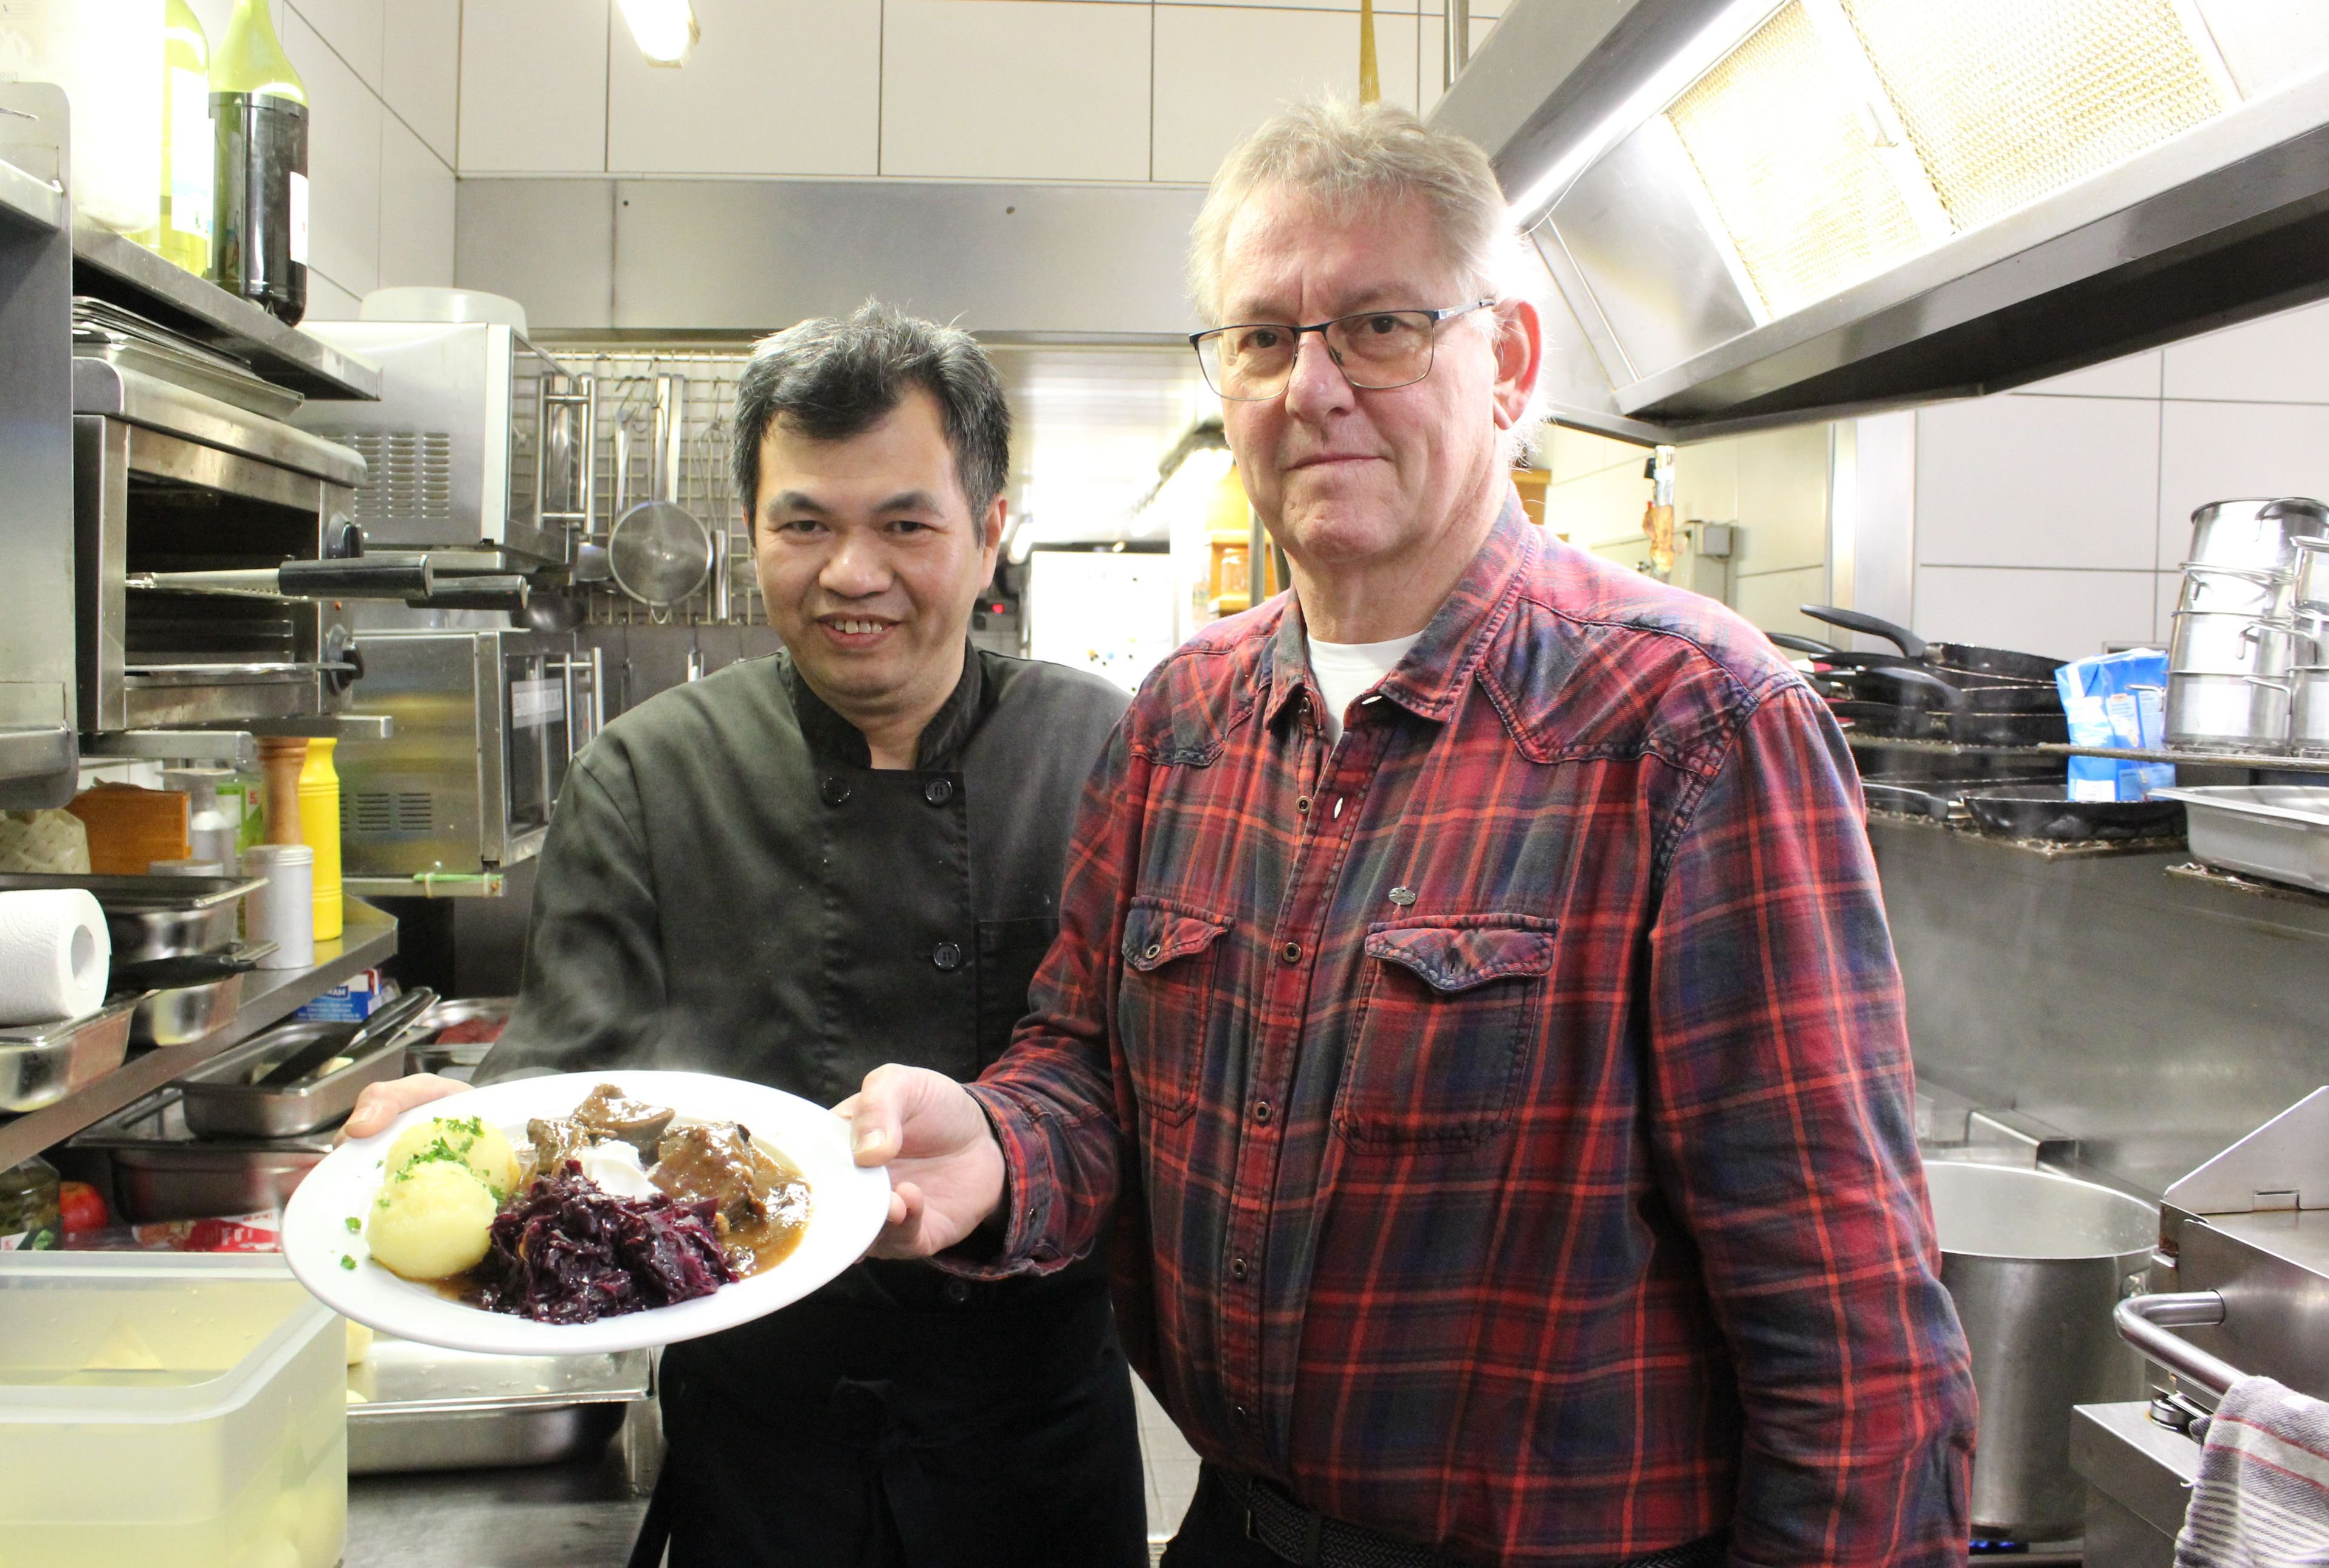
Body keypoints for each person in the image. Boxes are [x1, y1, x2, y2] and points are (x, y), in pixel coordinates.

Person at [845, 101, 1977, 1567]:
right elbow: (1086, 1065)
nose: (1311, 388)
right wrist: (994, 1144)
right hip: (1238, 1534)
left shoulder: (1693, 724)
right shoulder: (1180, 721)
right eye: (1260, 337)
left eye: (1376, 325)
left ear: (1502, 362)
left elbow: (1844, 1329)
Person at [345, 304, 1148, 1568]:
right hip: (754, 1443)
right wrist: (459, 1133)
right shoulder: (651, 772)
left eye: (904, 523)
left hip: (1034, 1443)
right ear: (750, 531)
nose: (850, 573)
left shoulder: (1108, 755)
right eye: (804, 524)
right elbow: (567, 1078)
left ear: (990, 531)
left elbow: (1155, 1087)